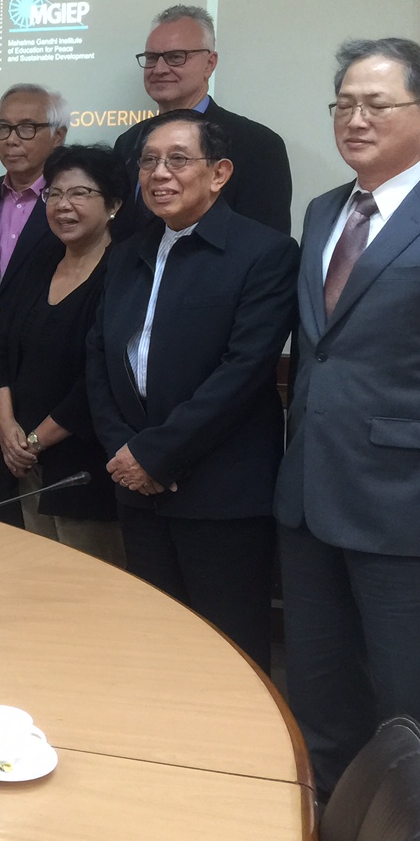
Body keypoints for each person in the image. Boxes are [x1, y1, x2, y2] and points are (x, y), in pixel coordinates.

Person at [276, 38, 420, 795]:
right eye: (344, 104)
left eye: (377, 104)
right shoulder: (323, 211)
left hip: (414, 508)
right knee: (322, 696)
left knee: (418, 710)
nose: (355, 119)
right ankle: (333, 839)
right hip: (311, 498)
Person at [87, 109, 299, 669]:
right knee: (155, 642)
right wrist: (123, 450)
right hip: (136, 485)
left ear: (219, 173)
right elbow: (99, 356)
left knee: (229, 652)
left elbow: (243, 371)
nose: (160, 174)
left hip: (220, 493)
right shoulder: (127, 253)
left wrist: (156, 454)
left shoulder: (265, 253)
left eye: (178, 160)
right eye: (149, 161)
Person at [0, 145, 128, 565]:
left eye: (80, 193)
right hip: (24, 458)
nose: (63, 205)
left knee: (86, 584)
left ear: (113, 205)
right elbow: (1, 345)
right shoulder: (41, 258)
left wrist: (35, 440)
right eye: (54, 193)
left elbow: (100, 377)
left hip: (85, 464)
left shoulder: (124, 271)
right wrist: (6, 427)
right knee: (39, 578)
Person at [0, 83, 67, 519]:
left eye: (27, 128)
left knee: (47, 518)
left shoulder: (71, 200)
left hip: (48, 377)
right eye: (3, 128)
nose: (11, 139)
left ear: (58, 135)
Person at [114, 5, 292, 237]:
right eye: (151, 58)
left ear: (210, 63)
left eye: (175, 57)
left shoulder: (258, 145)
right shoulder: (128, 142)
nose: (159, 69)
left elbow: (267, 246)